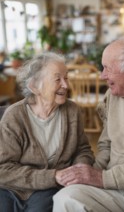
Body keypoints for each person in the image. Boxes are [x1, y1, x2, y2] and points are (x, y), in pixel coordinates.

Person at [52, 37, 124, 212]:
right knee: (66, 198)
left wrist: (103, 178)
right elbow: (105, 144)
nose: (102, 76)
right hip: (115, 187)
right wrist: (91, 173)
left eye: (107, 68)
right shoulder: (112, 96)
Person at [0, 52, 94, 212]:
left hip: (49, 190)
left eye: (66, 78)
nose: (66, 85)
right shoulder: (15, 116)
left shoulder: (72, 111)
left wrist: (78, 169)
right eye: (58, 79)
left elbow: (83, 149)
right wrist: (53, 176)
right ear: (35, 86)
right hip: (12, 188)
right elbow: (3, 169)